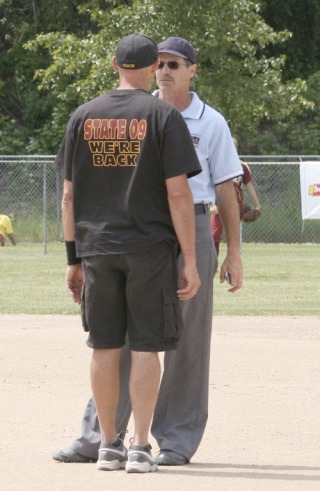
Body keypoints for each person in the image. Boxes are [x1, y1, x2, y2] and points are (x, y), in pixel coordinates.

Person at [53, 36, 243, 467]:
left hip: (189, 222)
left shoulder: (210, 122)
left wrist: (232, 252)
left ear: (193, 70)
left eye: (176, 64)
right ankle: (102, 436)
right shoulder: (141, 113)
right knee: (118, 334)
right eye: (160, 63)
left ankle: (175, 438)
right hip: (143, 229)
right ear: (148, 67)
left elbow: (227, 190)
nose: (166, 71)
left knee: (184, 341)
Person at [211, 137, 261, 255]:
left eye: (232, 146)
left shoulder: (242, 166)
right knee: (214, 235)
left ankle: (232, 265)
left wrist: (257, 204)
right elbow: (209, 186)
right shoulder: (216, 164)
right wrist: (212, 204)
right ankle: (213, 265)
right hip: (219, 203)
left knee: (233, 238)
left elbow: (248, 185)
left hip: (235, 204)